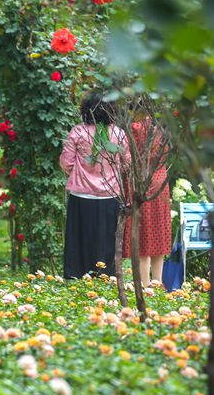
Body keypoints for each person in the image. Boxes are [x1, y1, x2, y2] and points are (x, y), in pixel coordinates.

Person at [60, 91, 128, 279]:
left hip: (81, 196)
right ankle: (105, 276)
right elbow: (127, 163)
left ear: (86, 109)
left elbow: (66, 162)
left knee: (78, 239)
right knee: (106, 241)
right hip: (109, 195)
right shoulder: (119, 134)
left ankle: (76, 276)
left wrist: (79, 173)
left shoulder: (78, 132)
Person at [123, 111, 171, 287]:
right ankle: (157, 283)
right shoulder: (161, 131)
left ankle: (143, 285)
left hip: (140, 181)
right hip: (160, 182)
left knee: (143, 236)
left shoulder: (134, 130)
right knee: (158, 233)